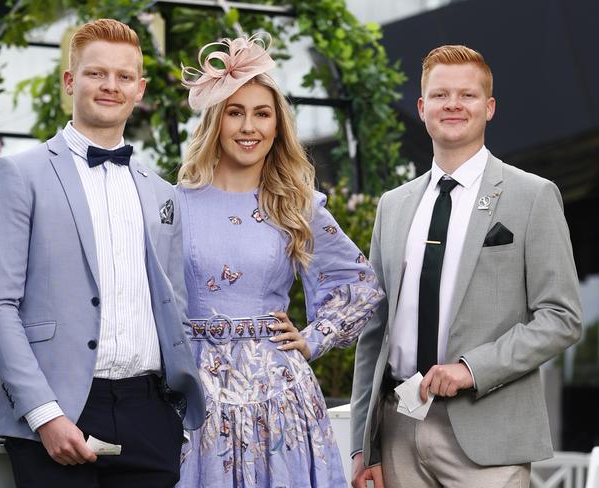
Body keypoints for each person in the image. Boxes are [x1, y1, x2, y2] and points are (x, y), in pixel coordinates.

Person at [0, 18, 204, 488]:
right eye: (96, 73)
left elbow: (175, 305)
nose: (110, 86)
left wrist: (172, 416)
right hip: (56, 416)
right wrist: (44, 414)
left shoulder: (162, 192)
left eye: (123, 77)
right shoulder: (19, 175)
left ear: (139, 89)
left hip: (150, 417)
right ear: (69, 80)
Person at [350, 44, 582, 488]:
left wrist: (472, 368)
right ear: (422, 108)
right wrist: (365, 446)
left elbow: (562, 317)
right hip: (398, 427)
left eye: (467, 95)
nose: (453, 104)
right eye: (440, 95)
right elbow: (372, 332)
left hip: (489, 433)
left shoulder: (532, 196)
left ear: (489, 107)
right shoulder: (393, 206)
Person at [174, 33, 383, 488]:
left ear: (277, 126)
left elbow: (361, 285)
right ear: (216, 120)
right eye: (236, 112)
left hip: (278, 397)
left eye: (262, 114)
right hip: (195, 398)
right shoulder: (173, 204)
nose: (249, 127)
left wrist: (313, 338)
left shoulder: (297, 204)